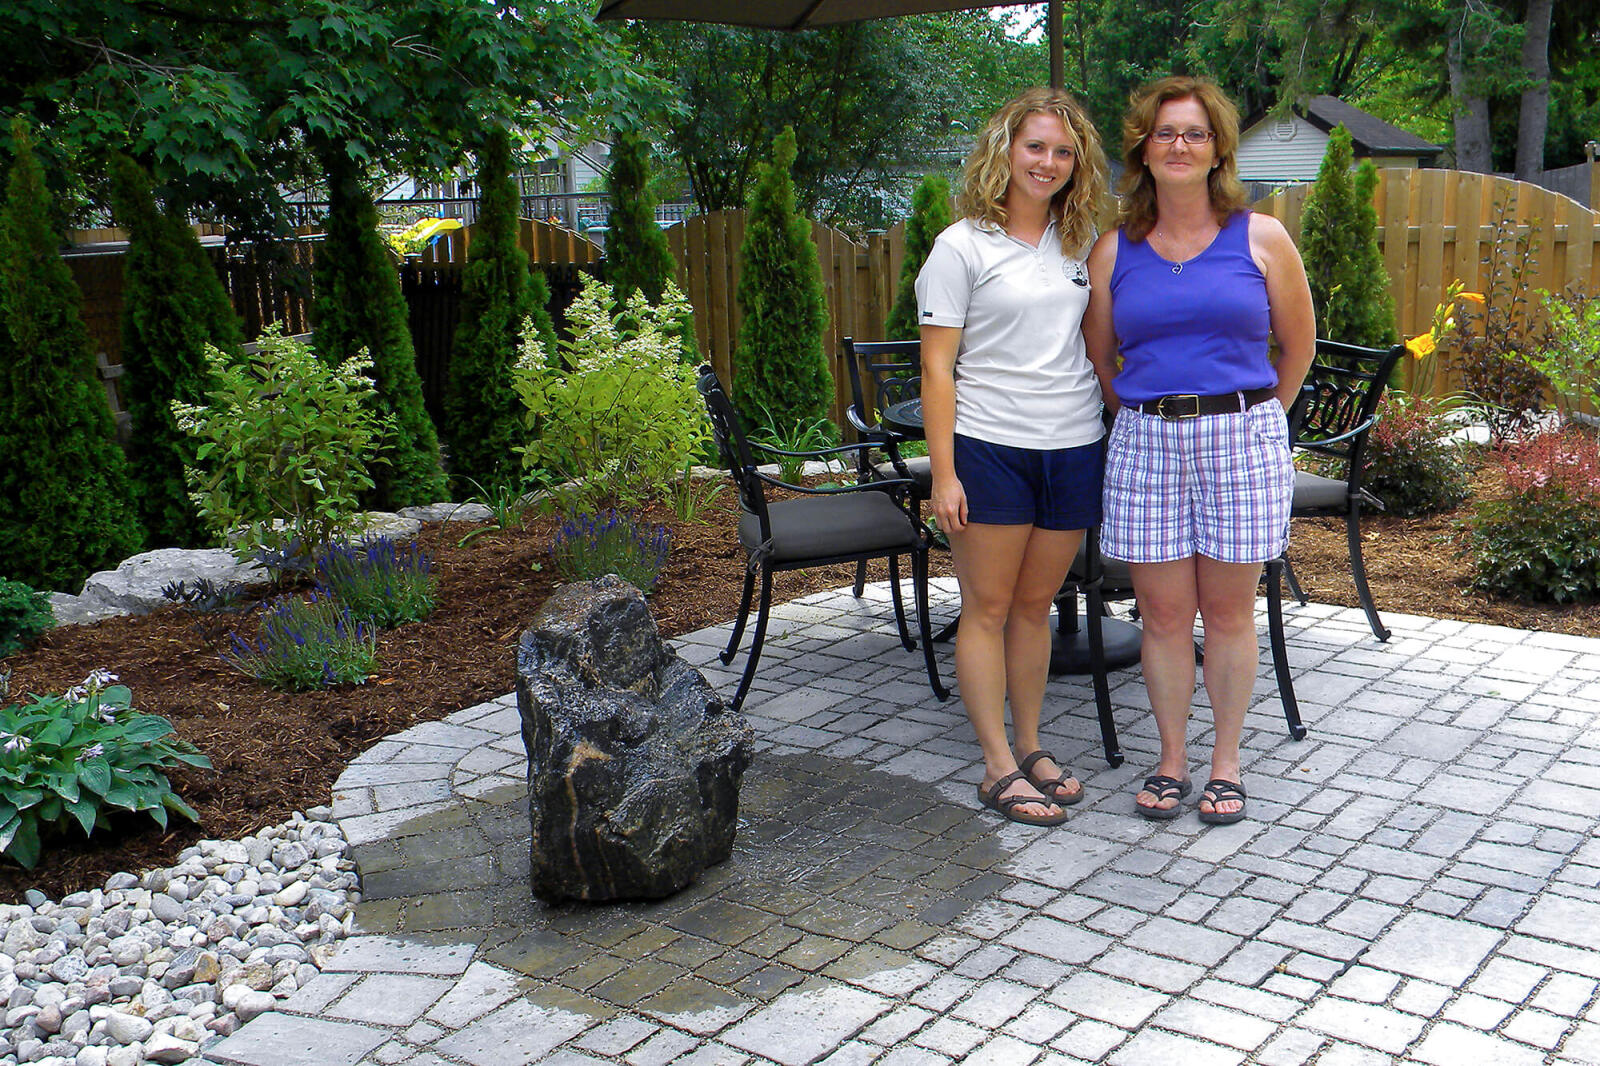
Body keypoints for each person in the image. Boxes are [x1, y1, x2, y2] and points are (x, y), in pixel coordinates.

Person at [1083, 76, 1315, 825]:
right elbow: (1101, 360)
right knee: (1160, 614)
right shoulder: (1114, 250)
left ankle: (1227, 763)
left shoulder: (1261, 236)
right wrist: (1151, 416)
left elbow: (1299, 345)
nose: (1179, 145)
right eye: (1164, 133)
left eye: (1195, 133)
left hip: (1240, 437)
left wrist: (1259, 417)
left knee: (1228, 613)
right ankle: (1173, 759)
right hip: (1147, 440)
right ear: (1142, 150)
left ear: (1217, 149)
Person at [916, 87, 1109, 826]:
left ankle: (1030, 745)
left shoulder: (1077, 243)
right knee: (988, 608)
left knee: (1035, 607)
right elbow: (938, 370)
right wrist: (944, 472)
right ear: (1005, 149)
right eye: (1035, 147)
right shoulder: (961, 245)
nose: (1048, 162)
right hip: (989, 448)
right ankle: (996, 765)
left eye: (1063, 152)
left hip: (1072, 447)